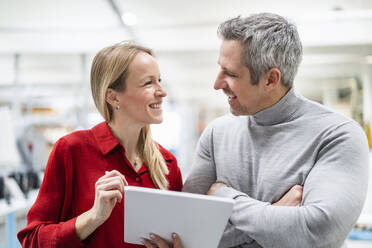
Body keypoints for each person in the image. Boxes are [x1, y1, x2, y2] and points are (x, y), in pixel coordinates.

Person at [183, 13, 369, 248]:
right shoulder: (217, 134)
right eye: (220, 69)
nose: (217, 84)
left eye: (230, 73)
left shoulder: (337, 135)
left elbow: (318, 233)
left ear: (271, 79)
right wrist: (274, 214)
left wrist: (225, 197)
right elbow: (186, 230)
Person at [17, 42, 184, 248]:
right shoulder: (71, 151)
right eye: (148, 83)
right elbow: (32, 240)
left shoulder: (168, 165)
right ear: (113, 96)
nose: (162, 91)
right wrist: (93, 217)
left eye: (159, 80)